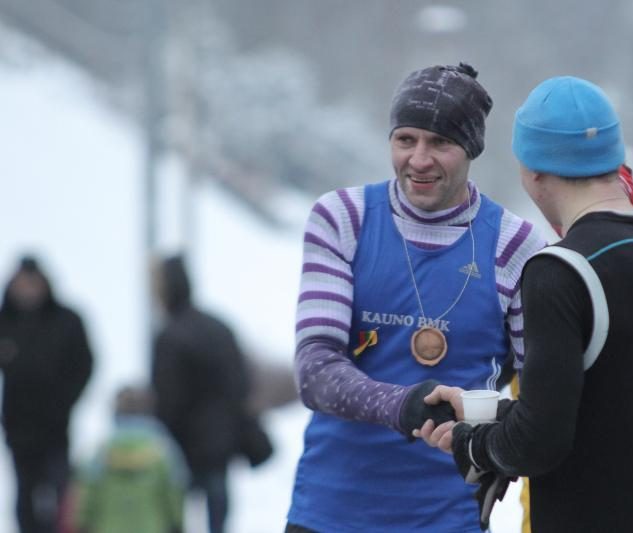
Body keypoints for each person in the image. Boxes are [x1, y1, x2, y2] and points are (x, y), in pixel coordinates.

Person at [416, 76, 633, 532]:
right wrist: (492, 414)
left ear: (532, 170)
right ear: (614, 158)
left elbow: (541, 442)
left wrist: (472, 445)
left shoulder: (560, 271)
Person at [285, 62, 547, 532]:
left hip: (448, 517)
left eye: (440, 143)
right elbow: (314, 371)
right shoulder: (342, 218)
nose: (419, 159)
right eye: (406, 139)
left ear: (470, 149)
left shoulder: (517, 246)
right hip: (329, 513)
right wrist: (403, 404)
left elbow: (539, 397)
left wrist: (495, 439)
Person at [150, 255, 264, 533]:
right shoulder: (218, 326)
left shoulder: (169, 335)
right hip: (220, 440)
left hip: (184, 443)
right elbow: (242, 382)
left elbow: (168, 399)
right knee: (218, 515)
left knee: (175, 515)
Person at [0, 255, 94, 533]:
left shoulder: (65, 321)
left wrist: (65, 402)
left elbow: (85, 364)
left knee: (60, 495)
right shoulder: (7, 321)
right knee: (25, 498)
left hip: (55, 427)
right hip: (18, 428)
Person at [73, 385, 187, 533]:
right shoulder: (164, 453)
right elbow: (174, 494)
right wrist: (177, 524)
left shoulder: (99, 454)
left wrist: (82, 524)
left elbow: (86, 496)